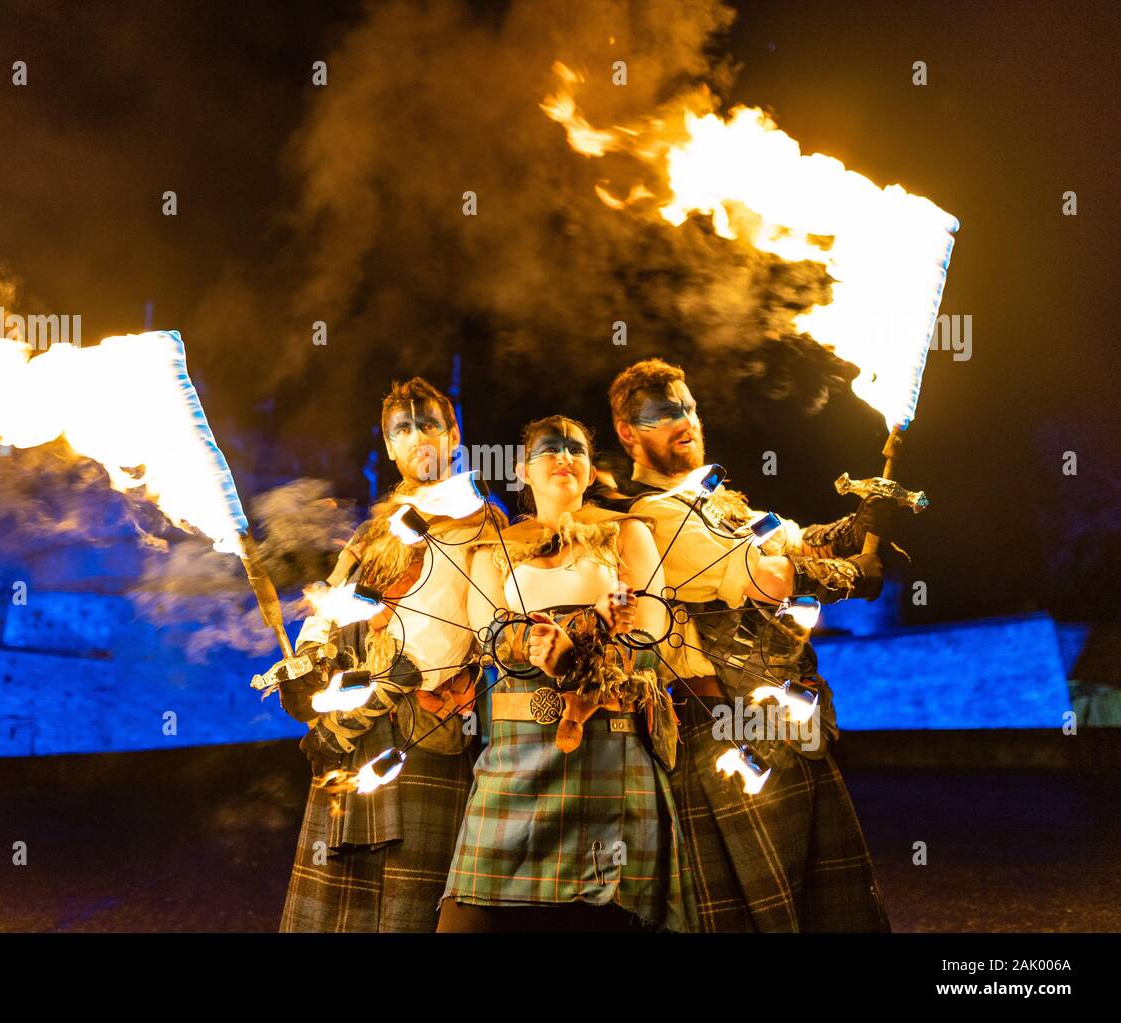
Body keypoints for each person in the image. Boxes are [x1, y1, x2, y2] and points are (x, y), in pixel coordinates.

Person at [602, 357, 894, 932]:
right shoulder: (650, 519)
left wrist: (868, 516)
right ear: (627, 433)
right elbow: (769, 577)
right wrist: (854, 575)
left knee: (829, 911)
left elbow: (801, 541)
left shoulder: (722, 502)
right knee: (759, 918)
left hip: (790, 725)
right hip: (724, 731)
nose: (684, 420)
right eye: (662, 414)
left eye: (687, 406)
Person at [436, 415, 695, 932]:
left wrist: (576, 652)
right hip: (513, 755)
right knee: (465, 920)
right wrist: (561, 636)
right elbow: (490, 641)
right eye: (548, 450)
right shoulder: (495, 546)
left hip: (607, 747)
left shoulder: (627, 532)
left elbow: (650, 639)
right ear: (522, 471)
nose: (563, 457)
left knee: (597, 920)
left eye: (575, 449)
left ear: (592, 469)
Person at [278, 376, 505, 932]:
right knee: (338, 910)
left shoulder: (483, 522)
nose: (417, 437)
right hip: (352, 733)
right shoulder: (372, 531)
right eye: (402, 429)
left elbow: (470, 635)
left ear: (453, 435)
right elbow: (326, 611)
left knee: (410, 906)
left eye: (428, 424)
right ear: (389, 446)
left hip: (423, 729)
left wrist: (361, 711)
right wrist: (304, 666)